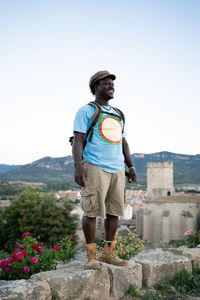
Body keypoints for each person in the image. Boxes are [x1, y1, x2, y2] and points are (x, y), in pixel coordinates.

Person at [72, 70, 137, 269]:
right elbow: (78, 140)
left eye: (112, 83)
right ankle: (91, 257)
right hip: (94, 167)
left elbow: (123, 142)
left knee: (114, 213)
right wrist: (78, 166)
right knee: (91, 211)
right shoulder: (86, 111)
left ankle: (108, 254)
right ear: (95, 88)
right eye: (106, 83)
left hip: (117, 169)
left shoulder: (118, 114)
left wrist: (130, 165)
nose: (111, 86)